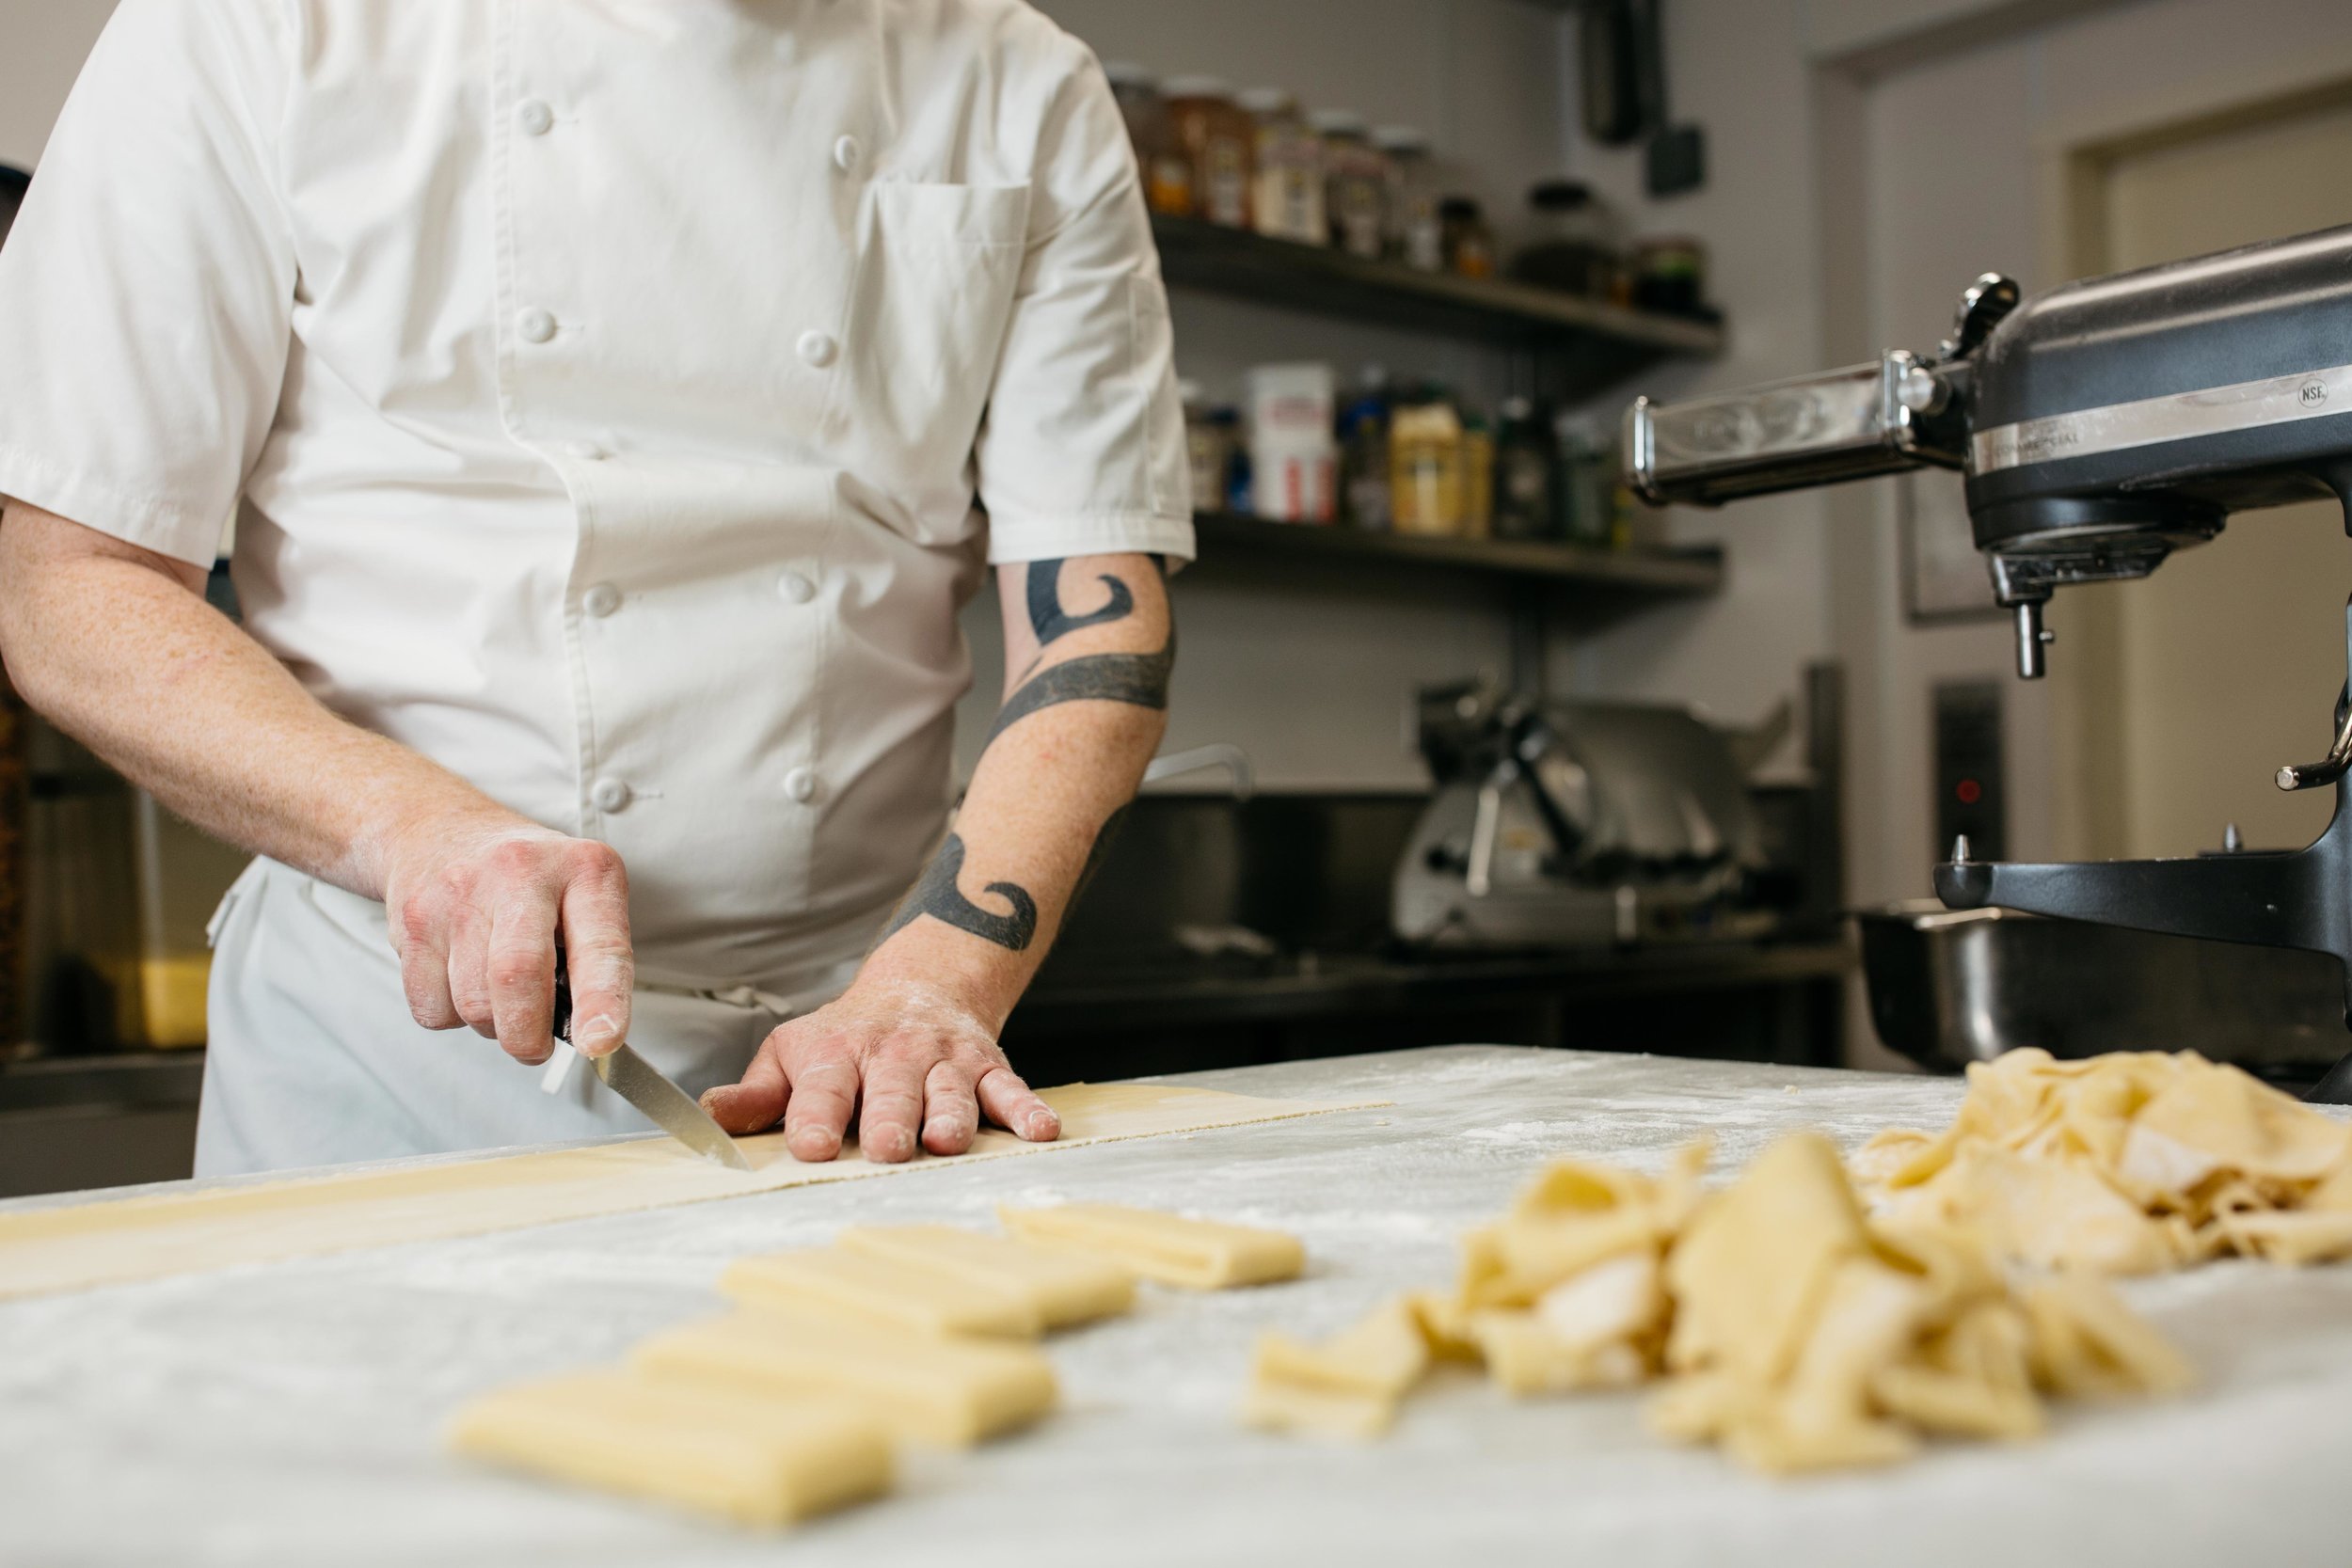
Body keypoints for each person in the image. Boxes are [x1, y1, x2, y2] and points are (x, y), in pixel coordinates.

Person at [0, 1, 1190, 1176]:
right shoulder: (258, 27)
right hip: (391, 1045)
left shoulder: (1019, 79)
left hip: (863, 1055)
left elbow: (1095, 626)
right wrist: (411, 824)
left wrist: (933, 980)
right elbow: (66, 581)